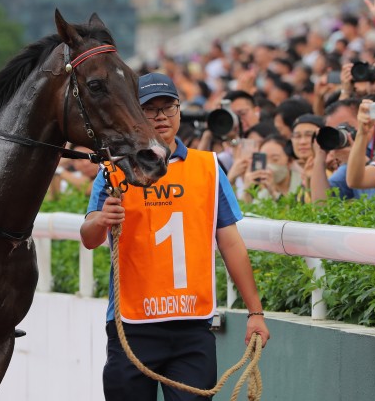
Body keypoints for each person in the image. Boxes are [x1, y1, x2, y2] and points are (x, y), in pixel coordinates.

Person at [79, 73, 269, 401]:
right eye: (150, 110)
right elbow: (89, 236)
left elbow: (231, 242)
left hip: (192, 326)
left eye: (168, 108)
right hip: (132, 325)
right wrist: (101, 220)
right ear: (136, 115)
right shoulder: (114, 169)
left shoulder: (208, 168)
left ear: (180, 111)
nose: (161, 117)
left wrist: (256, 312)